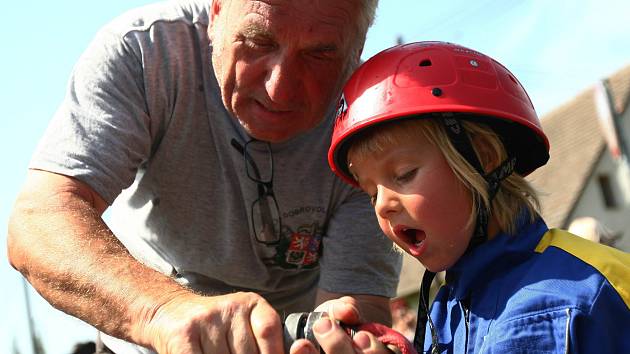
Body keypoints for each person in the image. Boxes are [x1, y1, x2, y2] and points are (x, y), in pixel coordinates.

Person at [7, 1, 403, 353]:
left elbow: (356, 299)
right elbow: (39, 221)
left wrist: (346, 335)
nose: (279, 89)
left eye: (319, 54)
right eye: (258, 41)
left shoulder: (374, 121)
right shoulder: (148, 54)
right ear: (215, 14)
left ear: (357, 47)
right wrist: (163, 312)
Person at [325, 41, 630, 353]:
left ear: (483, 158)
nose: (383, 206)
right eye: (371, 194)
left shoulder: (551, 307)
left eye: (404, 174)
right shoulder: (449, 305)